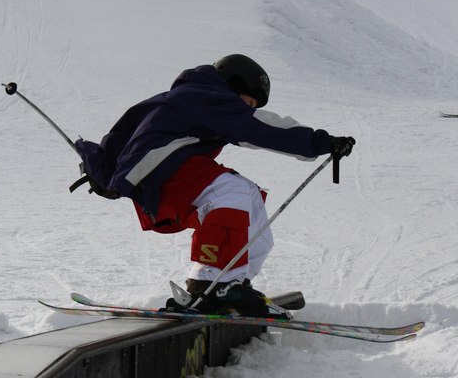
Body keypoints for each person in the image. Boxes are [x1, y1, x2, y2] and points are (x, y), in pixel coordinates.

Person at [73, 55, 355, 317]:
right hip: (164, 176)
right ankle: (214, 284)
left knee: (250, 198)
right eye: (250, 100)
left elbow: (124, 130)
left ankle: (234, 283)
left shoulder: (187, 99)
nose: (250, 107)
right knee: (231, 190)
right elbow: (257, 128)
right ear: (234, 84)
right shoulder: (203, 96)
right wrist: (321, 142)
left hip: (173, 176)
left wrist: (103, 169)